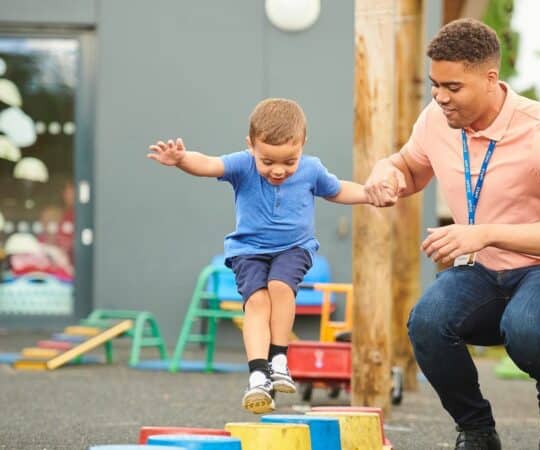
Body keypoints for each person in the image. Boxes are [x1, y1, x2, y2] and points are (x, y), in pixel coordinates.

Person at [364, 19, 540, 450]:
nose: (439, 97)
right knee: (427, 323)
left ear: (490, 79)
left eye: (452, 87)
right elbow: (408, 167)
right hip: (486, 273)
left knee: (526, 327)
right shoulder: (436, 120)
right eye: (435, 84)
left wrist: (484, 233)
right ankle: (476, 430)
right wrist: (386, 171)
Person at [148, 98, 378, 414]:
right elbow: (209, 164)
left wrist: (369, 193)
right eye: (267, 161)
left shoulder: (311, 169)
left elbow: (337, 190)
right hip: (248, 251)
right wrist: (182, 158)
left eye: (288, 161)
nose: (278, 170)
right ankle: (259, 375)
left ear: (302, 145)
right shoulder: (242, 164)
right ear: (251, 146)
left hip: (293, 248)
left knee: (281, 288)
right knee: (256, 302)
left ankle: (279, 358)